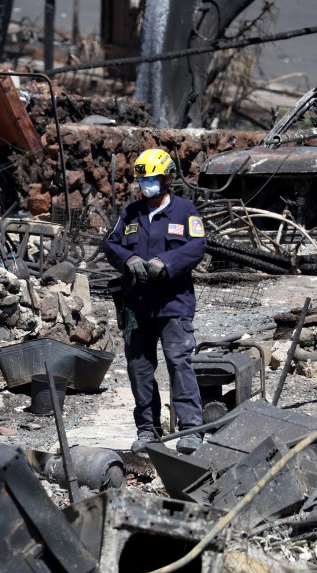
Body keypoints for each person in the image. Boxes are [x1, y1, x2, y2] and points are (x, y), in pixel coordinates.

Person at [102, 148, 207, 455]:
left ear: (168, 178)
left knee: (178, 361)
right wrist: (129, 258)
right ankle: (148, 429)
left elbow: (197, 246)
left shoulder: (185, 210)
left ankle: (191, 429)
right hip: (136, 304)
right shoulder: (131, 213)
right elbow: (110, 243)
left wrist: (166, 261)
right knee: (139, 366)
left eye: (153, 179)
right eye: (143, 180)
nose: (147, 185)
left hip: (173, 303)